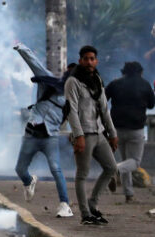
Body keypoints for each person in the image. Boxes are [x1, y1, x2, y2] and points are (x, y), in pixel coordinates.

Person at [12, 44, 73, 217]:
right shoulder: (49, 81)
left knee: (56, 169)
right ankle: (29, 181)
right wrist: (22, 49)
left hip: (50, 137)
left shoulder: (73, 98)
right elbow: (35, 64)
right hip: (32, 133)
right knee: (20, 169)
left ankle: (64, 204)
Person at [64, 45, 118, 225]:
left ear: (96, 61)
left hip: (99, 132)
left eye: (92, 58)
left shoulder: (97, 79)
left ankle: (93, 205)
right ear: (80, 60)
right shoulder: (73, 82)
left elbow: (104, 109)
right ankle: (85, 214)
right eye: (86, 59)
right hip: (83, 134)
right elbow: (71, 110)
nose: (89, 62)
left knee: (111, 167)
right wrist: (78, 135)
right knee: (82, 174)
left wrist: (112, 133)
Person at [104, 61, 155, 203]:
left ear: (123, 71)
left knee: (126, 161)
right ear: (141, 72)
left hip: (116, 129)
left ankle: (129, 194)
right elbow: (151, 104)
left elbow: (103, 100)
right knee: (135, 162)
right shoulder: (145, 84)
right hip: (136, 129)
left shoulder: (115, 83)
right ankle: (116, 170)